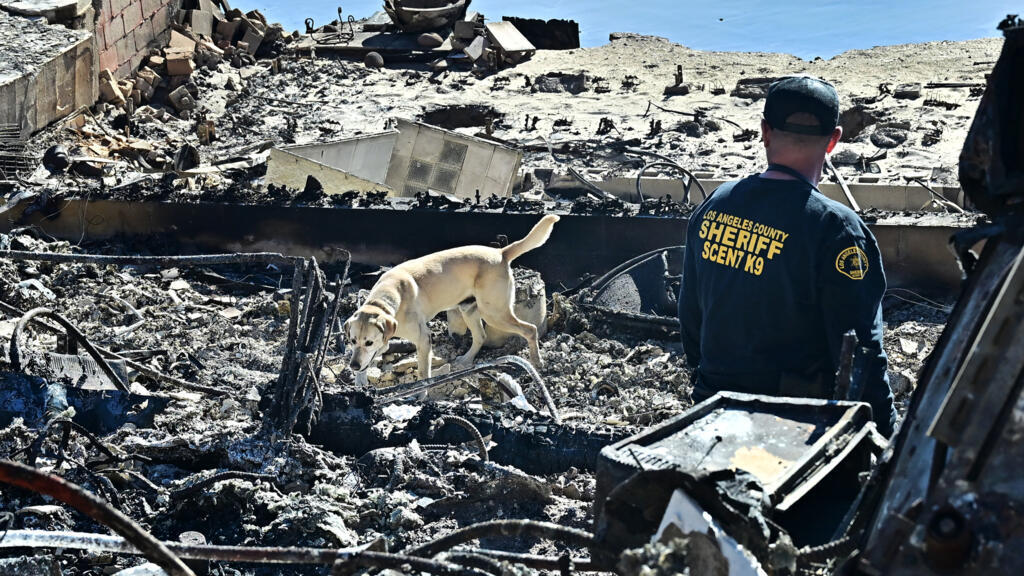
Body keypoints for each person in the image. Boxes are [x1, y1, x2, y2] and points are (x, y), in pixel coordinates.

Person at [678, 76, 896, 436]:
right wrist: (887, 440)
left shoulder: (714, 206)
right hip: (793, 429)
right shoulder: (837, 229)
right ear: (834, 140)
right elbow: (862, 353)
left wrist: (706, 387)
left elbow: (691, 319)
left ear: (764, 130)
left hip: (713, 414)